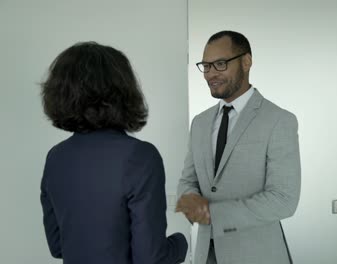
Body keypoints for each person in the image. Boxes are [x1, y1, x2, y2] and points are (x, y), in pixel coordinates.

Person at [40, 42, 187, 264]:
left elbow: (57, 245)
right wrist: (181, 242)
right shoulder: (140, 156)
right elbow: (150, 258)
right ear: (124, 91)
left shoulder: (56, 157)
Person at [176, 31, 301, 264]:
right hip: (206, 255)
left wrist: (212, 214)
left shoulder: (278, 120)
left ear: (246, 62)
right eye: (206, 66)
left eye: (220, 64)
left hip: (257, 256)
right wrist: (188, 200)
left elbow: (284, 199)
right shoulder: (200, 123)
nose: (211, 74)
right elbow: (188, 181)